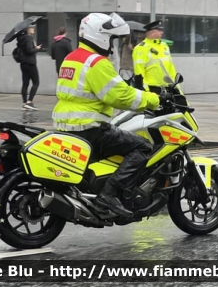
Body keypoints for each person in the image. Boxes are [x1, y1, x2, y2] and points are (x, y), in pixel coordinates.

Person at [52, 12, 162, 217]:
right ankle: (109, 194)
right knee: (143, 146)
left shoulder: (71, 58)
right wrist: (153, 99)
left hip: (65, 126)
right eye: (111, 39)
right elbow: (120, 96)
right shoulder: (96, 63)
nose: (111, 46)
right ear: (99, 36)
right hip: (89, 128)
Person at [132, 20, 179, 94]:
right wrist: (145, 91)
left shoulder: (164, 46)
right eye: (159, 30)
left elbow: (171, 68)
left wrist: (177, 88)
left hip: (168, 89)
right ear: (152, 32)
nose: (162, 32)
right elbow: (139, 72)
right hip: (151, 89)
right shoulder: (140, 48)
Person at [17, 25, 41, 111]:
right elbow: (29, 50)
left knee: (25, 83)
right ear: (27, 30)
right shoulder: (28, 38)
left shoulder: (21, 38)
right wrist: (36, 48)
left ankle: (25, 102)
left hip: (23, 63)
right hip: (30, 63)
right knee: (36, 82)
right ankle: (29, 101)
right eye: (31, 28)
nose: (33, 29)